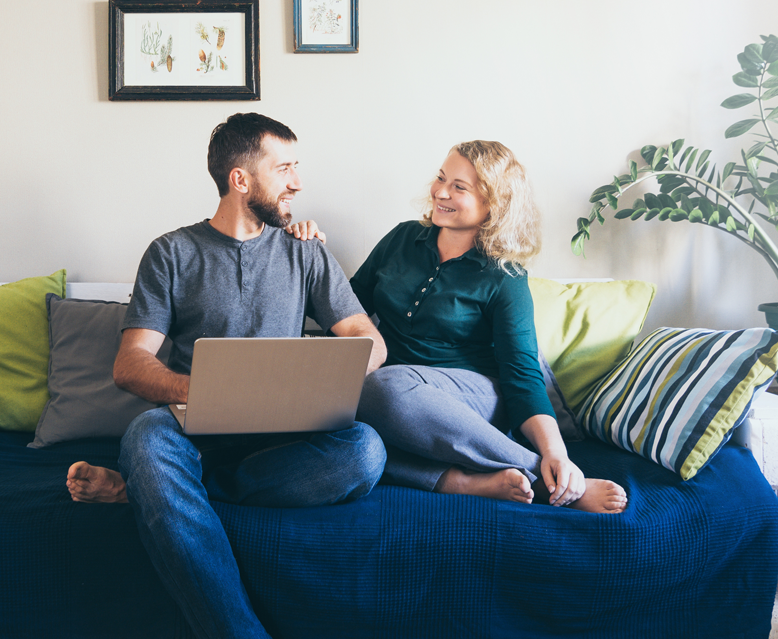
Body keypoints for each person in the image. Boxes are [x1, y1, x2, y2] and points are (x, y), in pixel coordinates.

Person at [66, 112, 387, 639]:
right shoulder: (172, 253)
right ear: (241, 179)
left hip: (286, 432)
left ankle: (153, 494)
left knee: (366, 451)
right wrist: (203, 390)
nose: (297, 182)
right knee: (145, 436)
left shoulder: (305, 251)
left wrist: (323, 370)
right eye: (284, 168)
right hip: (196, 425)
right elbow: (130, 364)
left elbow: (370, 343)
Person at [300, 140, 626, 513]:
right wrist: (309, 253)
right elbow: (347, 309)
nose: (440, 192)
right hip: (392, 400)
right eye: (441, 179)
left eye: (460, 187)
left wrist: (556, 455)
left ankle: (552, 482)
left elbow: (521, 375)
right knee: (349, 433)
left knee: (383, 386)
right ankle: (463, 483)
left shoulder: (505, 276)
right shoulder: (402, 238)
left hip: (469, 399)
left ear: (495, 203)